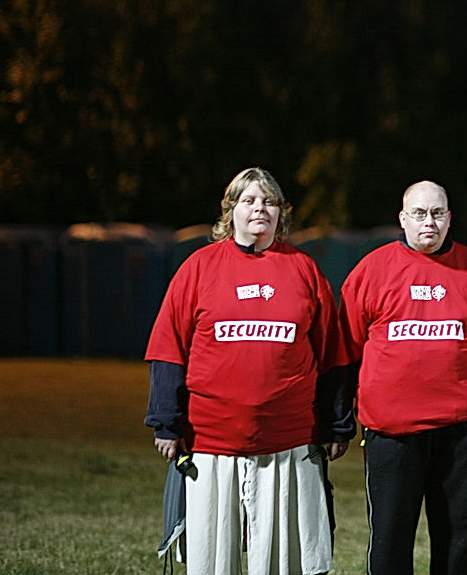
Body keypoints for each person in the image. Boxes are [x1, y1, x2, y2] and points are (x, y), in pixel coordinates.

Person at [144, 167, 355, 575]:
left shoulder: (304, 269)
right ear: (231, 210)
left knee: (286, 562)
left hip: (289, 440)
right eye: (249, 200)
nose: (260, 208)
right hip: (212, 440)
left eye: (269, 201)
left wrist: (337, 424)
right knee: (213, 562)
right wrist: (166, 422)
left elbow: (331, 354)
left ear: (281, 213)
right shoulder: (199, 267)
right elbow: (169, 347)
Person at [340, 180, 467, 575]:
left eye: (438, 213)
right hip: (393, 433)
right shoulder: (371, 270)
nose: (429, 222)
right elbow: (346, 349)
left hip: (462, 431)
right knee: (391, 540)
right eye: (420, 213)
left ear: (449, 218)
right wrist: (339, 418)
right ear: (402, 218)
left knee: (463, 540)